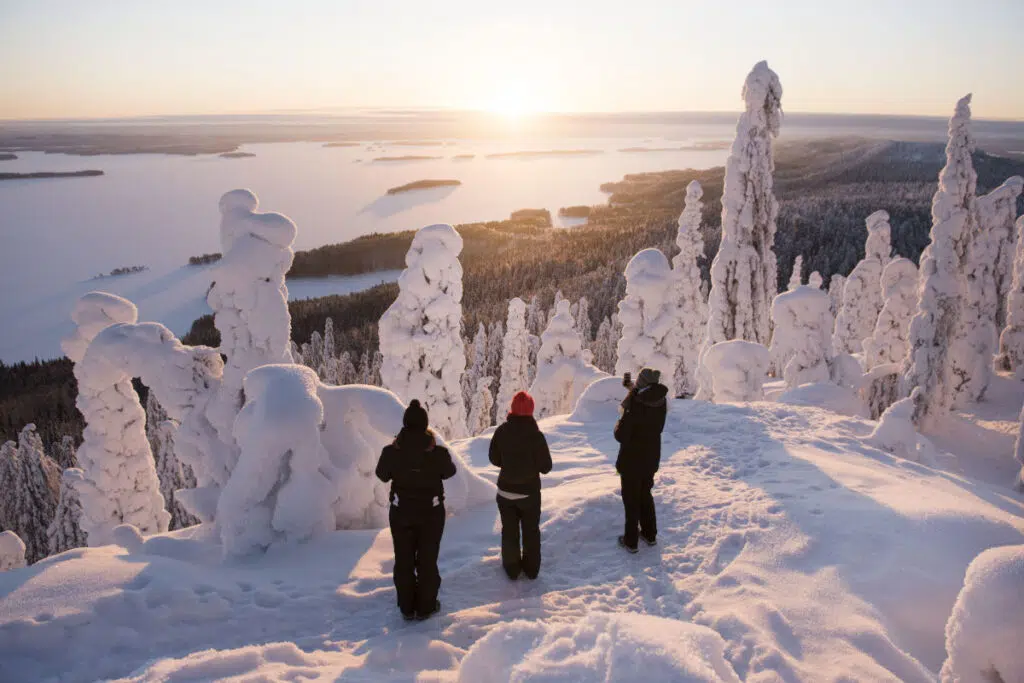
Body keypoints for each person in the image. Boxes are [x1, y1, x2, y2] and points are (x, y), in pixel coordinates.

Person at [375, 399, 456, 621]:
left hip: (401, 512)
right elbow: (450, 472)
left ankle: (406, 606)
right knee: (427, 559)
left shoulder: (391, 451)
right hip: (431, 512)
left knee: (403, 558)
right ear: (425, 424)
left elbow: (382, 475)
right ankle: (426, 606)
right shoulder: (437, 452)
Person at [488, 391, 552, 580]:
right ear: (531, 410)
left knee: (509, 531)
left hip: (505, 492)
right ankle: (531, 570)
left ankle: (512, 569)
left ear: (512, 410)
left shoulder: (501, 431)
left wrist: (508, 464)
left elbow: (493, 458)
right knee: (531, 531)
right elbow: (546, 467)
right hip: (529, 494)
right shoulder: (536, 436)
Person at [613, 367, 668, 553]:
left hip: (631, 460)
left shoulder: (636, 404)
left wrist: (619, 423)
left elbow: (621, 435)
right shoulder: (660, 400)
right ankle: (650, 534)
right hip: (651, 457)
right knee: (645, 495)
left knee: (631, 500)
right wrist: (632, 389)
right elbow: (644, 399)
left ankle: (631, 541)